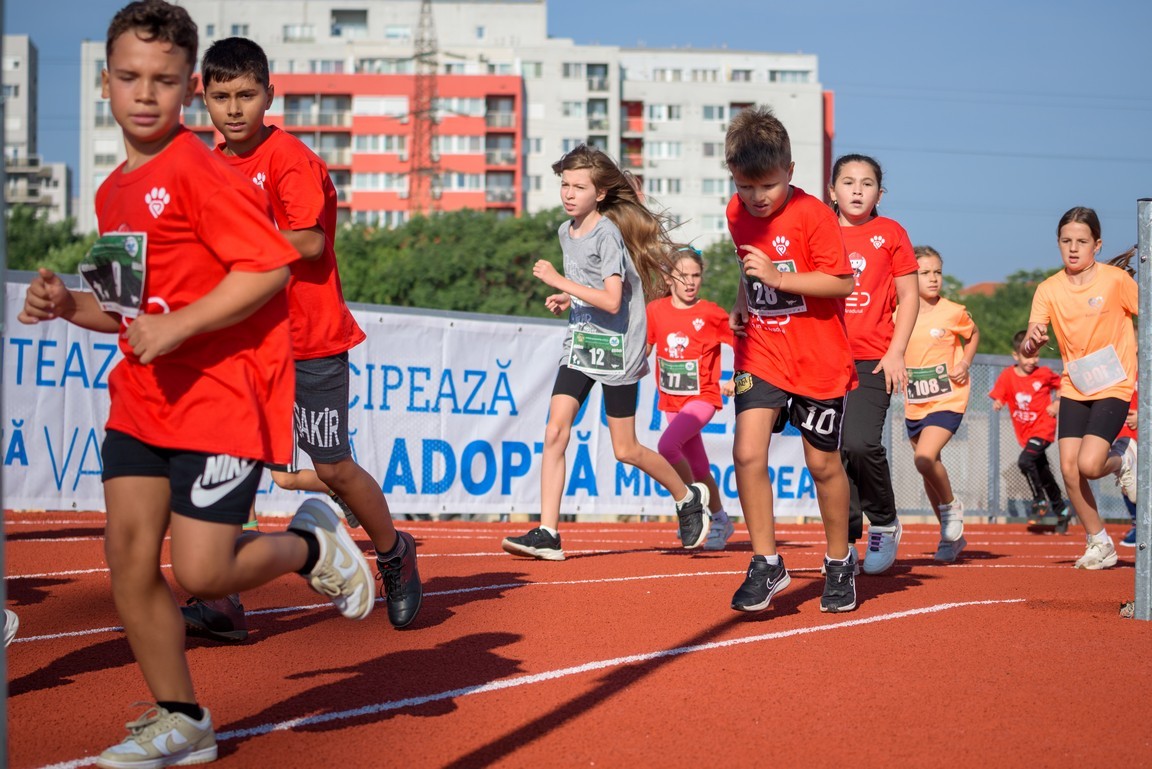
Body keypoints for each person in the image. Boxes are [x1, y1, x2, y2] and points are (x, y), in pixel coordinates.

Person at [18, 3, 376, 766]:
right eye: (129, 77)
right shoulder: (113, 191)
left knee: (203, 572)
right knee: (127, 559)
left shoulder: (200, 171)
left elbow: (270, 267)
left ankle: (309, 544)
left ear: (189, 90)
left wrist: (179, 326)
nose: (145, 93)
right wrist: (67, 305)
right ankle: (182, 717)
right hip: (143, 399)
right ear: (106, 83)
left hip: (220, 397)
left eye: (164, 79)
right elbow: (126, 310)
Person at [180, 36, 421, 642]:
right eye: (221, 97)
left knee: (332, 467)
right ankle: (223, 599)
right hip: (240, 343)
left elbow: (310, 242)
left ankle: (394, 552)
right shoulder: (205, 165)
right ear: (203, 99)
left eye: (246, 95)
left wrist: (231, 247)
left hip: (309, 338)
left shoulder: (289, 157)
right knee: (224, 463)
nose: (234, 108)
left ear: (269, 94)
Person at [501, 144, 709, 561]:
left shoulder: (607, 233)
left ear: (599, 194)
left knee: (625, 449)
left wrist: (559, 281)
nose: (568, 193)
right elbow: (592, 286)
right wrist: (568, 298)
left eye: (579, 187)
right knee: (555, 431)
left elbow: (613, 301)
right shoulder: (566, 231)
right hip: (582, 344)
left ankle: (687, 497)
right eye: (565, 184)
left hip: (618, 348)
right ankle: (548, 532)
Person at [723, 106, 859, 614]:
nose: (757, 197)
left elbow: (841, 283)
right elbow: (748, 264)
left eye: (768, 186)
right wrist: (743, 296)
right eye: (745, 187)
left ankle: (839, 560)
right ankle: (766, 562)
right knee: (746, 453)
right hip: (761, 351)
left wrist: (779, 279)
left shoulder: (813, 216)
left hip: (817, 359)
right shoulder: (736, 212)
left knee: (822, 465)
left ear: (791, 171)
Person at [1023, 212, 1137, 570]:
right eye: (1066, 241)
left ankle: (1125, 458)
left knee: (1090, 464)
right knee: (1070, 469)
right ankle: (1099, 541)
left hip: (1114, 382)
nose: (1073, 249)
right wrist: (1032, 340)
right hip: (1076, 385)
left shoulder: (1116, 281)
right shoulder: (1049, 289)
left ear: (1097, 245)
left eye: (1082, 242)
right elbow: (1029, 341)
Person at [828, 154, 919, 575]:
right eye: (848, 182)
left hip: (873, 359)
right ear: (832, 191)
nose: (857, 190)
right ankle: (843, 541)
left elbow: (909, 296)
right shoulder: (820, 230)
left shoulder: (891, 233)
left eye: (867, 184)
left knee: (860, 443)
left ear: (880, 194)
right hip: (824, 357)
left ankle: (883, 521)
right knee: (830, 451)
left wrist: (896, 351)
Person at [645, 246, 736, 550]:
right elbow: (645, 347)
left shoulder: (710, 313)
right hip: (671, 402)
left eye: (696, 275)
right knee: (698, 467)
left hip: (703, 397)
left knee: (666, 447)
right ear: (668, 278)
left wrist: (736, 377)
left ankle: (691, 505)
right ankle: (721, 520)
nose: (690, 282)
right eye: (683, 275)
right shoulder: (655, 310)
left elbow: (743, 342)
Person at [903, 246, 979, 563]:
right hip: (914, 402)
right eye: (925, 273)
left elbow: (972, 334)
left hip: (948, 397)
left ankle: (951, 506)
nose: (933, 279)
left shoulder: (952, 311)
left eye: (937, 272)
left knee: (924, 458)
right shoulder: (898, 313)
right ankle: (951, 538)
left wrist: (964, 363)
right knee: (928, 470)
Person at [989, 330, 1065, 522]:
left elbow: (1064, 384)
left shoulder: (1044, 374)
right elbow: (1001, 394)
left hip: (1043, 428)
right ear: (1016, 355)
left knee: (1025, 461)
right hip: (1025, 433)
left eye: (1036, 356)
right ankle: (1062, 510)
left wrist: (1057, 403)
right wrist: (998, 402)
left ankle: (1039, 500)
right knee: (1043, 471)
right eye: (1028, 356)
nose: (1032, 361)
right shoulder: (1008, 375)